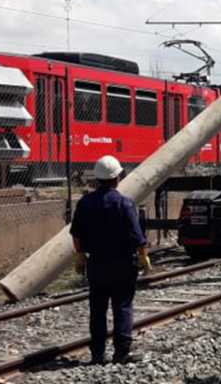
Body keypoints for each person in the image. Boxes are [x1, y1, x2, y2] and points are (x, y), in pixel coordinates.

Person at [70, 155, 152, 365]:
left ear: (97, 179)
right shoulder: (125, 204)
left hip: (96, 264)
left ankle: (97, 354)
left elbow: (77, 235)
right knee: (122, 306)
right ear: (117, 178)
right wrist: (143, 256)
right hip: (123, 264)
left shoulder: (85, 204)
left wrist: (80, 256)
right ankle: (121, 353)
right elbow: (137, 237)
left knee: (97, 309)